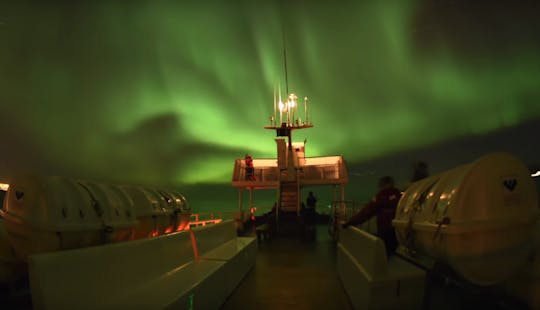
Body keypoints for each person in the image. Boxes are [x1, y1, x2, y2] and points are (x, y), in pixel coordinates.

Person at [342, 176, 401, 255]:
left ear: (382, 185)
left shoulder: (380, 197)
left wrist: (349, 222)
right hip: (398, 233)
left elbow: (365, 213)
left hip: (385, 232)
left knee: (383, 254)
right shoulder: (400, 196)